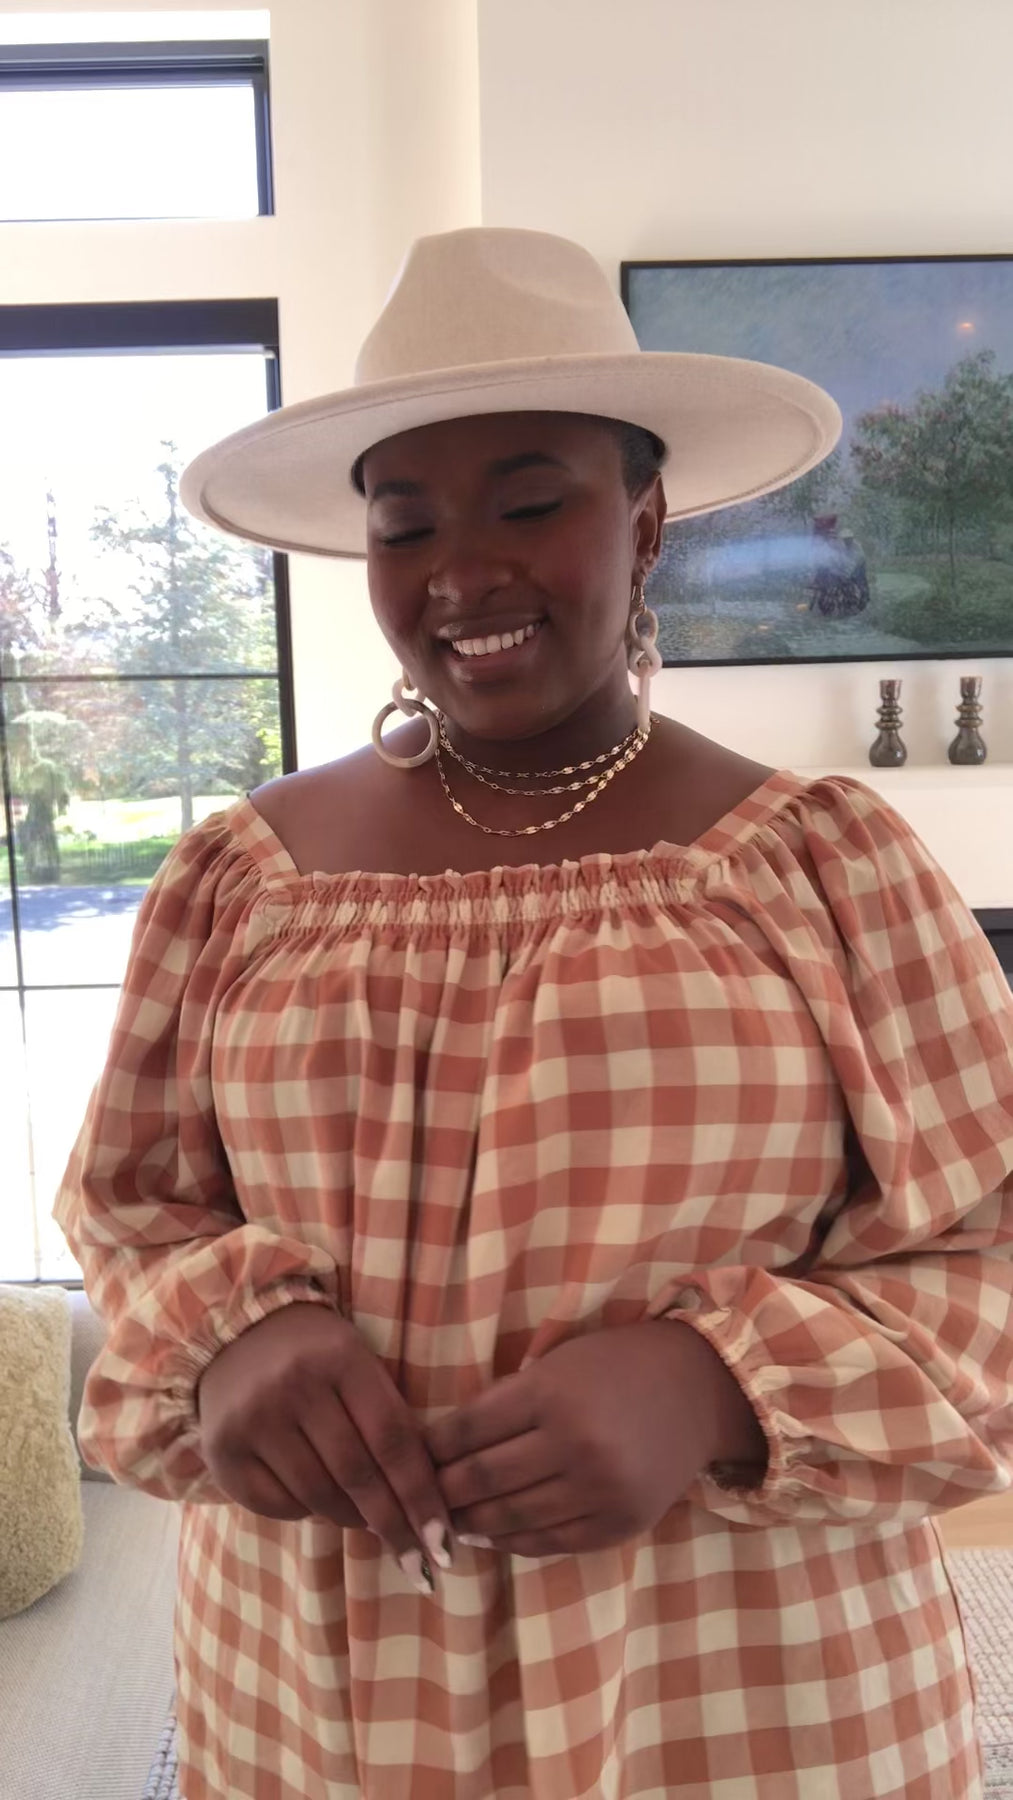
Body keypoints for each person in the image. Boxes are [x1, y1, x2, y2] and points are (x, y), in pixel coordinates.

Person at [54, 228, 1013, 1800]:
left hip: (738, 1690)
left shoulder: (815, 868)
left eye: (527, 502)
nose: (461, 570)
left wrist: (710, 1385)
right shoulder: (239, 879)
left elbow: (988, 1246)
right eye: (404, 523)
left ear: (644, 524)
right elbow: (129, 1211)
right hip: (324, 1684)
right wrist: (230, 1344)